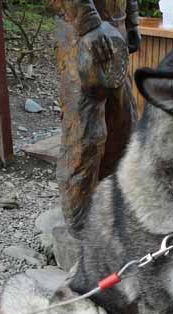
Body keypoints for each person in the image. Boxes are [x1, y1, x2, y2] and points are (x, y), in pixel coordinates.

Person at [49, 0, 141, 228]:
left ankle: (110, 204)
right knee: (87, 135)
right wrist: (88, 23)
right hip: (81, 36)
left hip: (112, 31)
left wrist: (131, 22)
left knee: (122, 127)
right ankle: (81, 218)